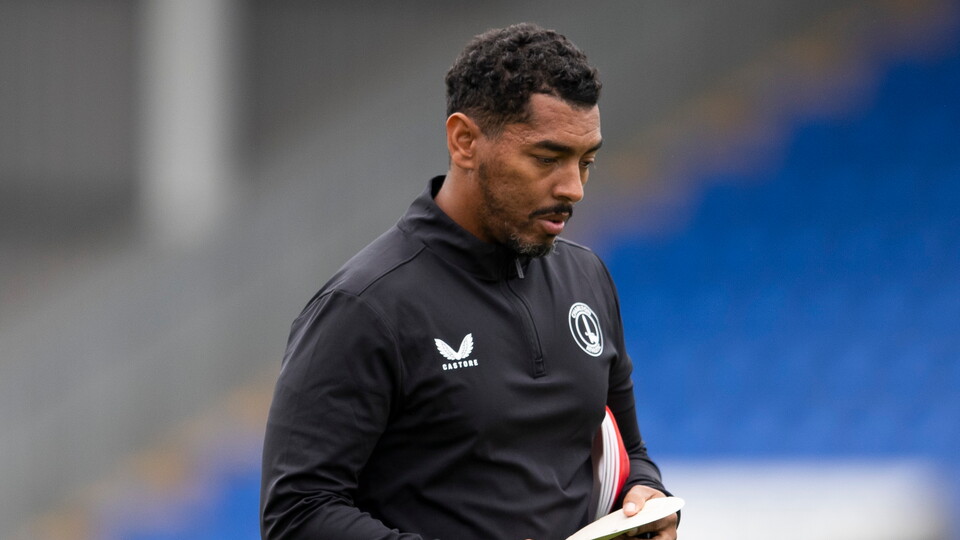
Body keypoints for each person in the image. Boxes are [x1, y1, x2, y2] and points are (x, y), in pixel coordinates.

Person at [260, 23, 678, 540]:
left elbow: (629, 453)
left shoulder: (587, 277)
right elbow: (297, 514)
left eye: (586, 162)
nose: (573, 188)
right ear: (464, 141)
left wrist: (646, 494)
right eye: (547, 159)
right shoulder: (365, 306)